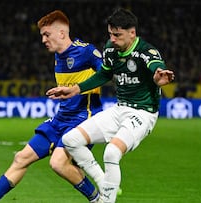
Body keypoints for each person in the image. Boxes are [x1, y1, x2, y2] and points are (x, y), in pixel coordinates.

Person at [0, 10, 105, 203]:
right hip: (62, 118)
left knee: (58, 163)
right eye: (42, 35)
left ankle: (99, 200)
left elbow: (107, 74)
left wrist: (77, 89)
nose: (43, 40)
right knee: (21, 157)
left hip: (84, 118)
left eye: (46, 34)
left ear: (61, 33)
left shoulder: (86, 51)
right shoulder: (59, 55)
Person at [46, 8, 175, 203]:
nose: (113, 39)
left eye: (117, 35)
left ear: (132, 33)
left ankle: (106, 201)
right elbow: (104, 75)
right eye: (110, 34)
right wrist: (73, 89)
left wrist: (159, 75)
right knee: (71, 140)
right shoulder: (111, 49)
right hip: (119, 109)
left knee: (112, 152)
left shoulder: (145, 51)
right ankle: (104, 183)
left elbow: (156, 66)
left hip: (142, 113)